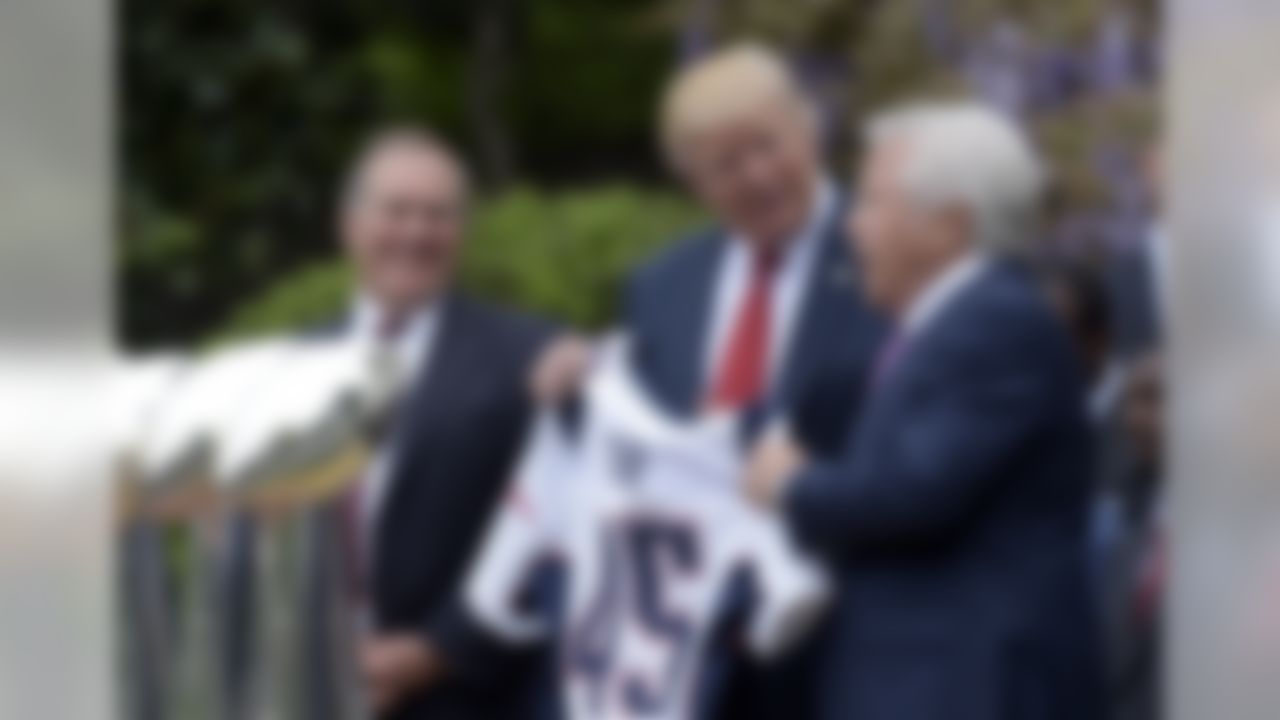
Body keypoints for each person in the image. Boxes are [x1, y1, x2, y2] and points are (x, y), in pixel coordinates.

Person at [530, 43, 885, 718]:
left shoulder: (881, 250)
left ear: (808, 129)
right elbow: (639, 449)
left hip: (833, 636)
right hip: (691, 648)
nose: (756, 177)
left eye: (767, 146)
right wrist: (576, 391)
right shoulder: (663, 284)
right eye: (725, 165)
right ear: (693, 184)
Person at [744, 100, 1103, 720]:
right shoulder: (936, 328)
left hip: (965, 684)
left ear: (948, 225)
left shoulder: (996, 321)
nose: (851, 227)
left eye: (871, 203)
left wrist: (789, 483)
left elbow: (910, 492)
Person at [328, 128, 553, 720]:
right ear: (349, 224)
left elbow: (549, 530)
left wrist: (437, 651)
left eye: (439, 215)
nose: (416, 234)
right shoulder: (289, 367)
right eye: (395, 211)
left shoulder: (528, 358)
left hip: (465, 695)